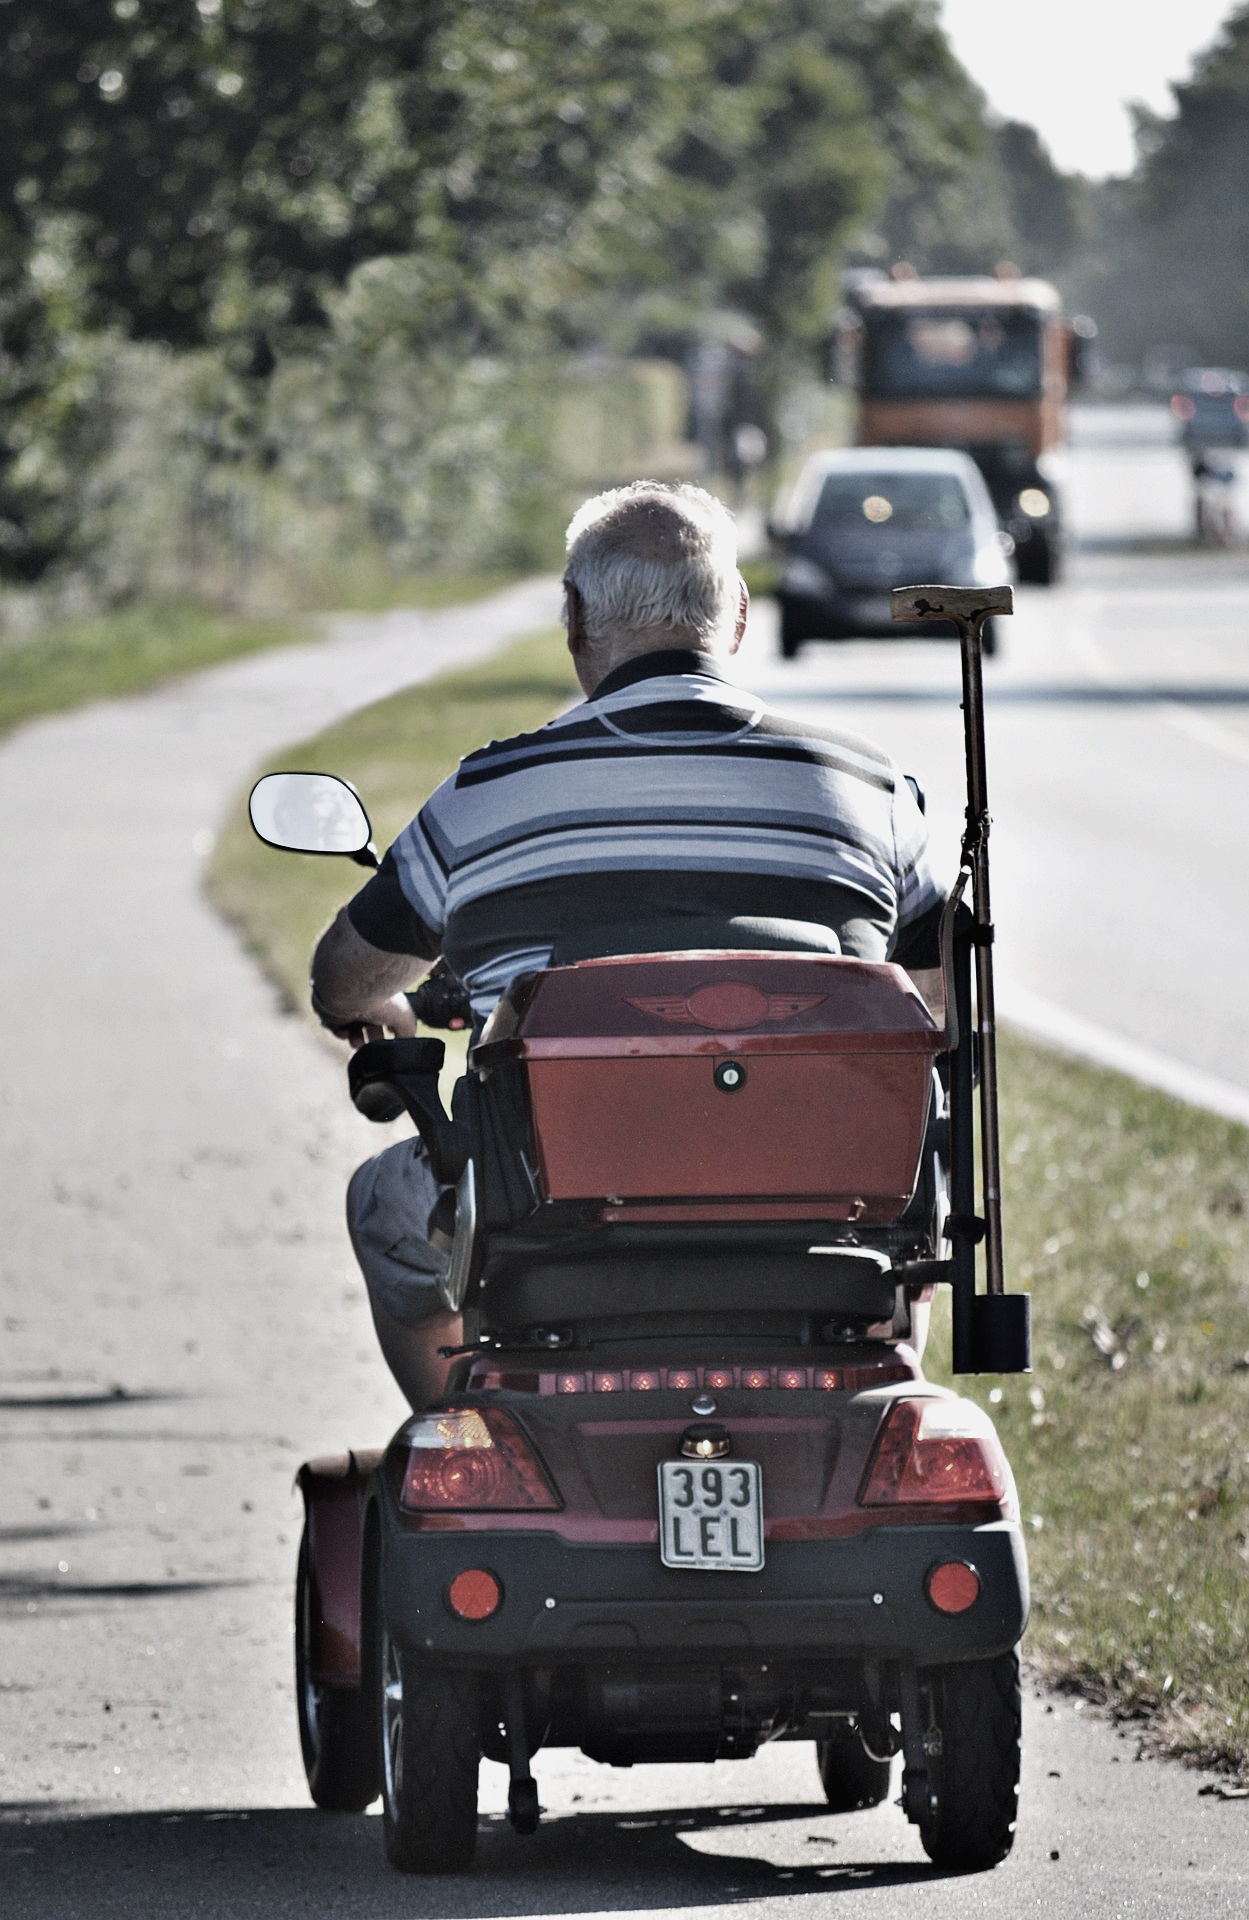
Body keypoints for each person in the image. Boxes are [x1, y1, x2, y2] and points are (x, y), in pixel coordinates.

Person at [310, 481, 945, 1406]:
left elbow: (345, 973)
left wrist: (368, 1008)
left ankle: (474, 1443)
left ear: (573, 620)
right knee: (917, 1154)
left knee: (384, 1203)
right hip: (828, 1222)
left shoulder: (486, 795)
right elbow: (938, 1008)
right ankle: (884, 1394)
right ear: (735, 616)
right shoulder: (871, 788)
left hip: (551, 1223)